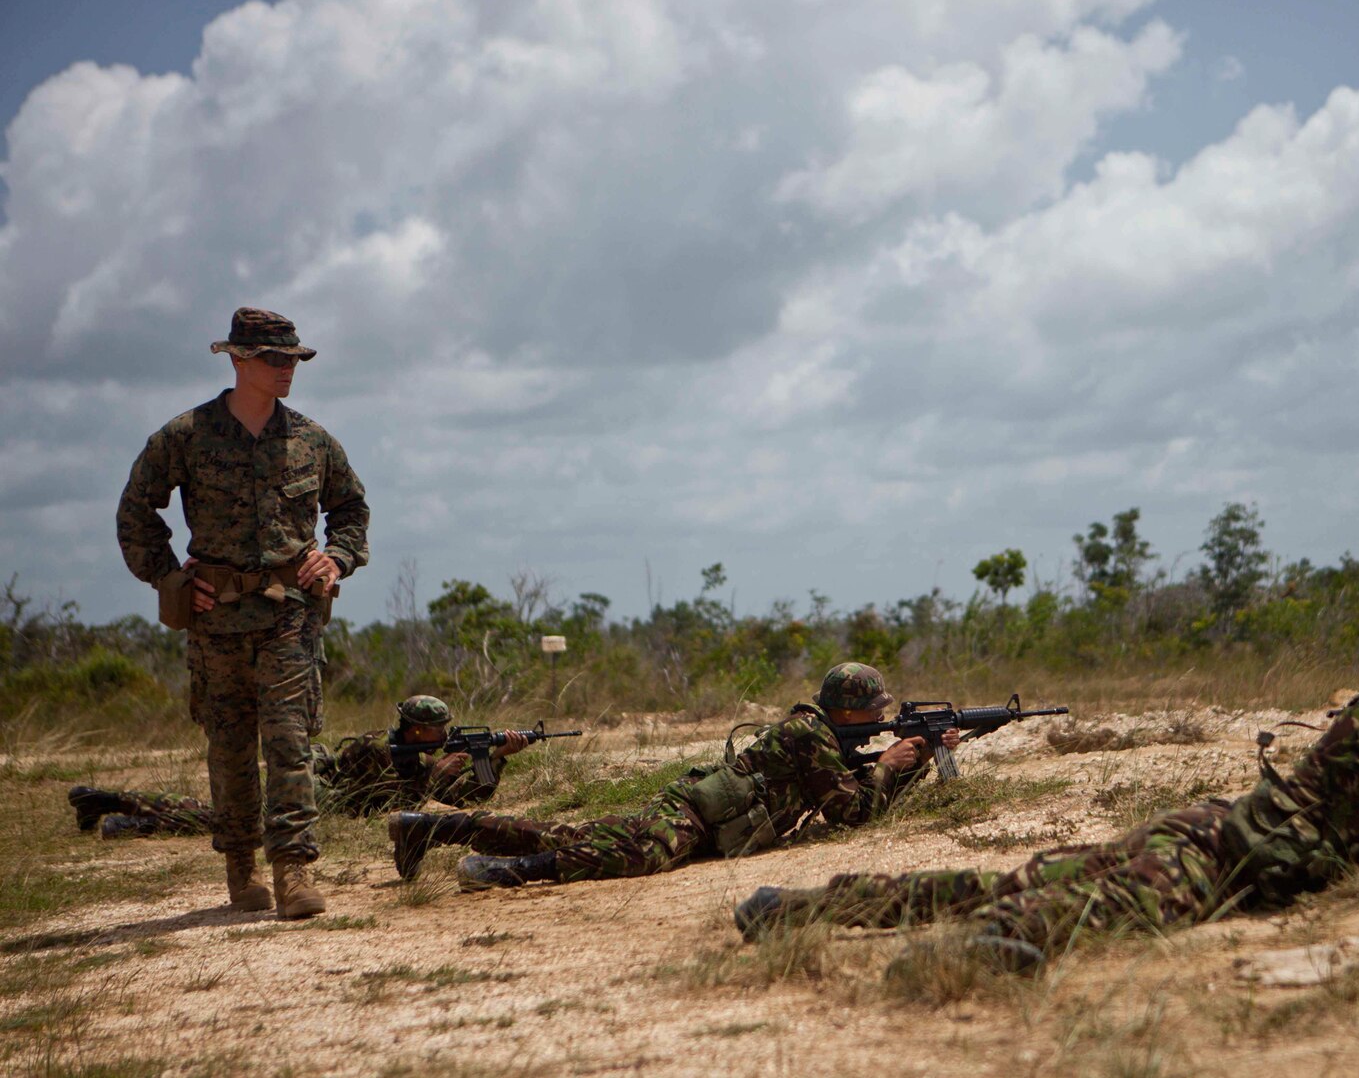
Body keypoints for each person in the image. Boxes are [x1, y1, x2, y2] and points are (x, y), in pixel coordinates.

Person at [732, 607, 1359, 972]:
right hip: (1231, 859)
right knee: (1080, 910)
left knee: (1014, 878)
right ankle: (968, 960)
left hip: (1211, 833)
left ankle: (805, 910)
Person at [115, 308, 368, 919]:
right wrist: (171, 578)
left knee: (289, 742)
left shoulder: (311, 440)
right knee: (229, 749)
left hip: (290, 616)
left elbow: (352, 512)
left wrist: (334, 559)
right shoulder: (185, 436)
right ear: (237, 360)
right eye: (274, 360)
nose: (287, 370)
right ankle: (242, 868)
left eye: (293, 360)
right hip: (217, 622)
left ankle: (294, 870)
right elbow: (136, 513)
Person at [386, 662, 960, 890]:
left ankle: (435, 829)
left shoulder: (820, 735)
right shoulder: (809, 735)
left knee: (575, 837)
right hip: (695, 813)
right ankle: (506, 872)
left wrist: (915, 762)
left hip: (707, 817)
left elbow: (857, 800)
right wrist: (890, 767)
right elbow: (852, 811)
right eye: (874, 711)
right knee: (642, 854)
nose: (882, 718)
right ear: (848, 712)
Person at [67, 696, 526, 837]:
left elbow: (464, 797)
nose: (444, 736)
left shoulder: (415, 752)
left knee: (218, 821)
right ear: (416, 731)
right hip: (303, 799)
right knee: (222, 818)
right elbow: (432, 785)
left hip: (313, 808)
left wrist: (496, 759)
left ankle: (121, 824)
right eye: (439, 730)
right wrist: (464, 757)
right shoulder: (375, 750)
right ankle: (105, 800)